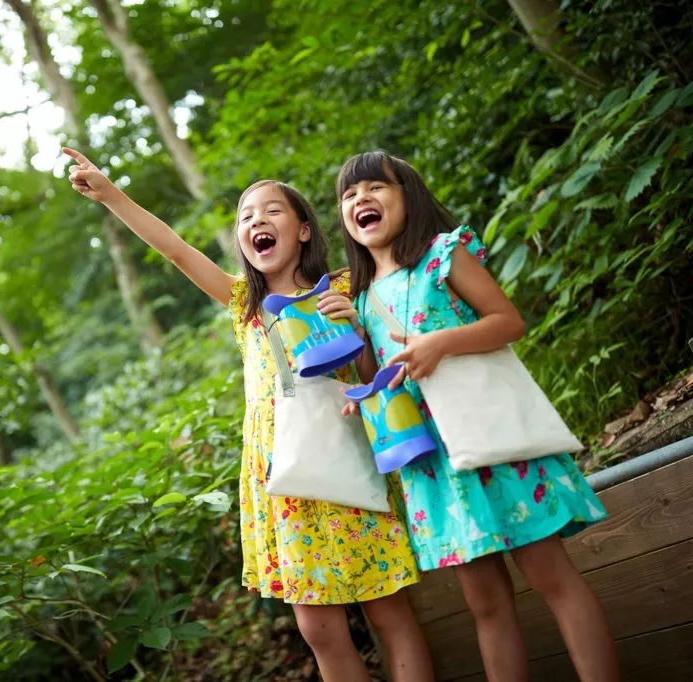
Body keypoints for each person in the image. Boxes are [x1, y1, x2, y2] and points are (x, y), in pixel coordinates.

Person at [63, 147, 433, 681]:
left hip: (350, 460)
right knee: (319, 629)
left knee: (388, 605)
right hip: (284, 476)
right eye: (246, 216)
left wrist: (353, 322)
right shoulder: (245, 306)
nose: (256, 220)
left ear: (304, 230)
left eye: (272, 211)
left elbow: (379, 374)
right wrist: (111, 194)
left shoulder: (346, 287)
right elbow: (177, 252)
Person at [337, 150, 618, 682]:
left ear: (409, 196)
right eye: (349, 195)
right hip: (436, 464)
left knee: (551, 576)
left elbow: (507, 322)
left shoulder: (443, 256)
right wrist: (362, 376)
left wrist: (442, 342)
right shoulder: (364, 296)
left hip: (494, 440)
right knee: (484, 602)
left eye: (376, 187)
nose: (361, 200)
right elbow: (387, 375)